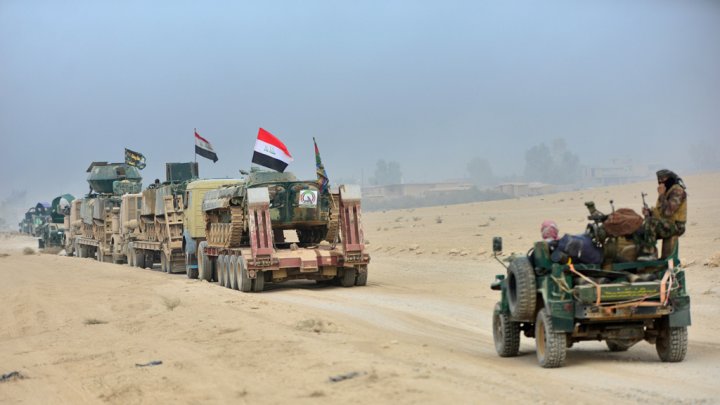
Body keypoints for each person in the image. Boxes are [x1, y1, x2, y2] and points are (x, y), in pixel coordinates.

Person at [638, 169, 687, 260]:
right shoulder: (666, 191)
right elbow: (660, 212)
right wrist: (649, 212)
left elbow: (668, 212)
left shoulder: (678, 191)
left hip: (676, 226)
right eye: (659, 180)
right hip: (666, 223)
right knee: (641, 228)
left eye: (663, 179)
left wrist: (661, 195)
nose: (661, 182)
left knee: (651, 223)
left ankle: (650, 254)